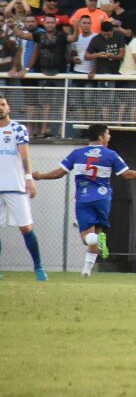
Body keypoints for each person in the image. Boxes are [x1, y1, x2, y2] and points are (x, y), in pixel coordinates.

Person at [33, 124, 136, 278]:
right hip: (103, 198)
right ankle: (86, 271)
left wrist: (40, 176)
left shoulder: (77, 153)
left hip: (84, 199)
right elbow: (128, 175)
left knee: (87, 238)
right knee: (96, 234)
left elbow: (59, 173)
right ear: (100, 137)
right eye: (107, 133)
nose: (109, 136)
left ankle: (95, 243)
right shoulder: (110, 154)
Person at [0, 96, 47, 281]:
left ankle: (39, 267)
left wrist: (29, 179)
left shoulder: (18, 129)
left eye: (2, 104)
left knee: (26, 228)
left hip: (15, 186)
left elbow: (25, 156)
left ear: (9, 107)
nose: (0, 108)